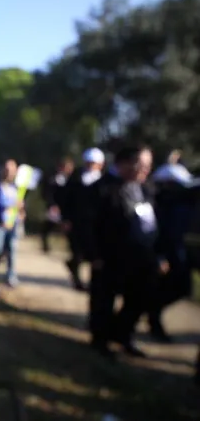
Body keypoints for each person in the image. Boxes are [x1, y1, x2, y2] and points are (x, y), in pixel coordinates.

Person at [88, 144, 165, 358]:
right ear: (123, 164)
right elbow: (89, 225)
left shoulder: (145, 188)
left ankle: (123, 334)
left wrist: (158, 254)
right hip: (110, 256)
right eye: (141, 165)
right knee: (104, 299)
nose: (146, 170)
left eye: (149, 166)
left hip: (142, 256)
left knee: (139, 297)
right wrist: (94, 255)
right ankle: (100, 340)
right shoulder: (102, 189)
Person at [147, 152, 196, 342]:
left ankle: (153, 313)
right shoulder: (159, 202)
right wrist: (159, 256)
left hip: (176, 252)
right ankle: (152, 318)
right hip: (163, 254)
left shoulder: (181, 202)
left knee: (181, 288)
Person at [59, 147, 105, 291]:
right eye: (89, 162)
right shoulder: (75, 179)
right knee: (77, 252)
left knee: (94, 255)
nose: (91, 165)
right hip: (77, 222)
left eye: (94, 163)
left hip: (96, 225)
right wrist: (66, 219)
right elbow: (65, 200)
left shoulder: (104, 182)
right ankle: (77, 280)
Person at [0, 159, 24, 287]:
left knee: (11, 249)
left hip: (13, 224)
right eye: (7, 170)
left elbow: (19, 206)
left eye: (12, 170)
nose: (9, 173)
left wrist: (21, 210)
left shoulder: (17, 187)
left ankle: (10, 276)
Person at [40, 157, 74, 253]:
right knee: (48, 226)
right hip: (54, 207)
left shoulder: (72, 179)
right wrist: (52, 204)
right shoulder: (52, 178)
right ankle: (45, 245)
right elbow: (46, 192)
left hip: (67, 208)